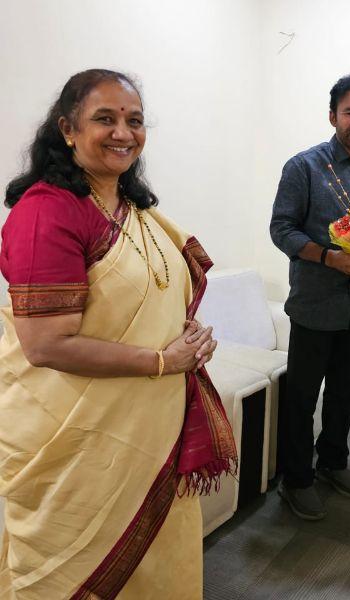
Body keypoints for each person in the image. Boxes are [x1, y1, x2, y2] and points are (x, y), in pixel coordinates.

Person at [0, 69, 237, 599]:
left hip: (149, 429)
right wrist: (162, 361)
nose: (123, 133)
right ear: (67, 129)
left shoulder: (136, 211)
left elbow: (147, 299)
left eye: (134, 120)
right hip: (75, 439)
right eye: (104, 119)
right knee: (73, 570)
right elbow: (44, 345)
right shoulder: (47, 213)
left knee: (155, 567)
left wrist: (186, 337)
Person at [270, 74, 350, 520]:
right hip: (314, 304)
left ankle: (332, 462)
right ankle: (296, 479)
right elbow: (281, 230)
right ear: (333, 116)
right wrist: (330, 258)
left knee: (345, 393)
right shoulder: (303, 167)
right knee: (302, 397)